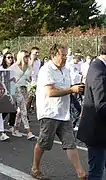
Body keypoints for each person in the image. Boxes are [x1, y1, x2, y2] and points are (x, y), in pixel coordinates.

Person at [31, 44, 86, 179]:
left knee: (70, 143)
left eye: (66, 55)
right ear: (53, 55)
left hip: (63, 113)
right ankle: (35, 168)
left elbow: (67, 88)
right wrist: (71, 90)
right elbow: (50, 92)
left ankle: (81, 173)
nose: (65, 58)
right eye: (62, 55)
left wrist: (75, 89)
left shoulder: (66, 70)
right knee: (44, 142)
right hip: (49, 112)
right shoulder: (46, 70)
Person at [77, 37, 106, 180]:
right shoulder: (98, 71)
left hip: (101, 130)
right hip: (97, 132)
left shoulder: (100, 67)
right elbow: (101, 105)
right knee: (96, 173)